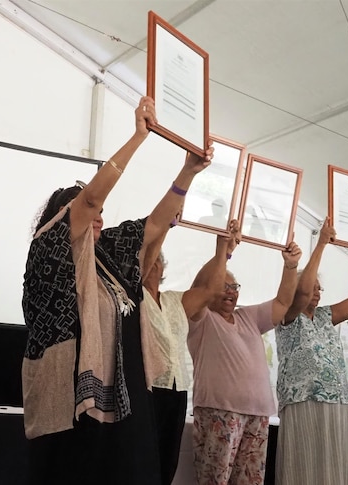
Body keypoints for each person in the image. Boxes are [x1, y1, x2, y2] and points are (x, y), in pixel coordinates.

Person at [21, 96, 213, 485]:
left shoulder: (109, 261)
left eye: (100, 216)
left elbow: (156, 226)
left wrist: (188, 172)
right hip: (70, 411)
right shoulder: (48, 252)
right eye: (85, 213)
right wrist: (138, 136)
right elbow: (91, 198)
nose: (97, 216)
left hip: (124, 406)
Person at [187, 237, 302, 485]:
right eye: (224, 286)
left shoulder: (248, 316)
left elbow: (283, 302)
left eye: (234, 286)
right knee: (215, 480)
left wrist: (291, 266)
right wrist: (223, 253)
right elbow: (198, 287)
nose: (230, 291)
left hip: (257, 415)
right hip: (219, 411)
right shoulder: (202, 318)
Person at [275, 219, 348, 485]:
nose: (317, 292)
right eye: (313, 288)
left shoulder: (324, 316)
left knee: (335, 467)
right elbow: (303, 291)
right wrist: (321, 243)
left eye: (321, 288)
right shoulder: (287, 315)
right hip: (303, 400)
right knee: (305, 465)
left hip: (337, 401)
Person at [142, 221, 240, 484]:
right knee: (141, 460)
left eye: (157, 260)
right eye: (147, 258)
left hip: (177, 389)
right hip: (145, 388)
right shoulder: (132, 297)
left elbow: (209, 289)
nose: (153, 264)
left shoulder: (175, 299)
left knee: (167, 461)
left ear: (163, 268)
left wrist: (222, 252)